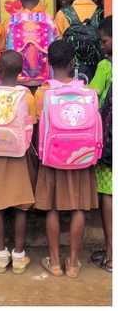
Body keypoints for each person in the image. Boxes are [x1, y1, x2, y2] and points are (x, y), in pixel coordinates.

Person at [34, 40, 99, 278]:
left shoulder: (43, 93)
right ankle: (73, 264)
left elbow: (36, 126)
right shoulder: (88, 92)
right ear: (73, 62)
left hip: (52, 158)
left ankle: (53, 262)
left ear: (49, 63)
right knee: (78, 208)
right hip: (81, 158)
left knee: (52, 208)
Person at [0, 50, 38, 274]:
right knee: (21, 206)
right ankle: (19, 256)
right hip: (18, 154)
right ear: (21, 71)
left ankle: (0, 255)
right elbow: (31, 125)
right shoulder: (27, 95)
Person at [89, 16, 113, 273]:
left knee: (108, 194)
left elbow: (93, 95)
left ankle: (111, 254)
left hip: (110, 144)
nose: (102, 46)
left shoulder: (106, 66)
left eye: (105, 41)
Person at [56, 0, 104, 80]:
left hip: (71, 76)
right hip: (99, 75)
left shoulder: (62, 14)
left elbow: (58, 48)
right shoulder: (103, 13)